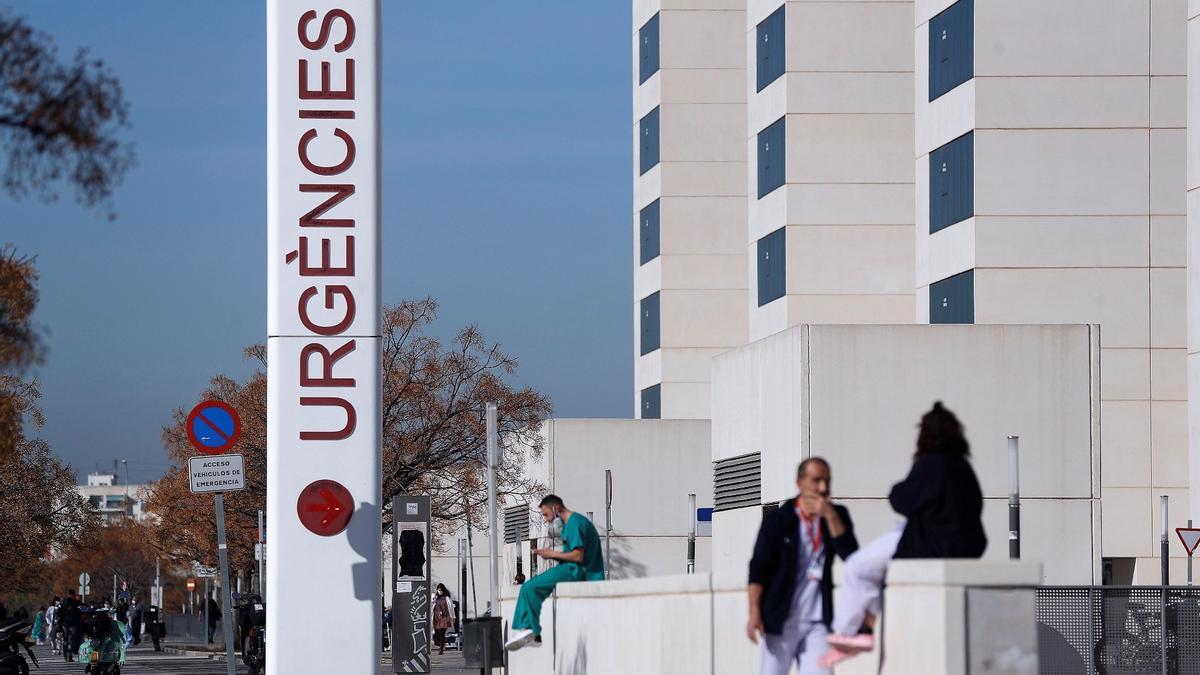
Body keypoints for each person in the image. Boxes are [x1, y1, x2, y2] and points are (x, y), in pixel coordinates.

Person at [821, 402, 987, 667]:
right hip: (967, 544)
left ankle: (849, 631)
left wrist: (900, 488)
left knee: (857, 567)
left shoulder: (931, 464)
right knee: (878, 571)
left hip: (929, 542)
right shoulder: (964, 469)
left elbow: (902, 500)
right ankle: (869, 622)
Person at [745, 457, 859, 675]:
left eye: (827, 481)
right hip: (781, 620)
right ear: (800, 483)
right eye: (816, 481)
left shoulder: (837, 516)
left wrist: (831, 516)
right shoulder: (779, 520)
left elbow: (851, 557)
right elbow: (759, 568)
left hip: (817, 623)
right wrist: (754, 613)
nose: (823, 488)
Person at [504, 494, 605, 651]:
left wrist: (551, 554)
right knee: (531, 588)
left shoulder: (575, 523)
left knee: (530, 587)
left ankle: (531, 630)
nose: (546, 519)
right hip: (575, 569)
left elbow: (578, 555)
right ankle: (531, 631)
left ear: (556, 508)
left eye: (546, 514)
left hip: (578, 571)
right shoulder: (572, 524)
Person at [60, 589, 84, 662]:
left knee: (65, 640)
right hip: (73, 623)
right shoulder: (76, 603)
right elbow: (81, 611)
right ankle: (70, 654)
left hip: (65, 623)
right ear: (73, 594)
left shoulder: (63, 602)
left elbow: (59, 613)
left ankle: (66, 656)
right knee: (72, 639)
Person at [433, 584, 453, 655]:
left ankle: (441, 649)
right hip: (436, 618)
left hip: (444, 618)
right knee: (436, 634)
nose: (440, 591)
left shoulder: (447, 598)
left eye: (441, 590)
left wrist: (452, 617)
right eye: (438, 590)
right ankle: (440, 645)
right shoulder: (435, 598)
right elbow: (432, 605)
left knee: (441, 633)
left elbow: (451, 608)